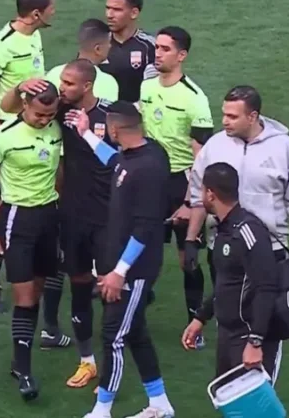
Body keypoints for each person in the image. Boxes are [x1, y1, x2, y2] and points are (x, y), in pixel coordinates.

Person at [2, 59, 115, 387]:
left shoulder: (111, 115)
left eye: (68, 83)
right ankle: (87, 361)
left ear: (87, 86)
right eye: (62, 82)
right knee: (79, 284)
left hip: (109, 217)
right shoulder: (58, 111)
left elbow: (125, 156)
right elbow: (11, 109)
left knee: (112, 289)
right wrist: (19, 88)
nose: (61, 88)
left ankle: (114, 360)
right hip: (73, 216)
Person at [67, 101, 176, 418]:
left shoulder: (147, 170)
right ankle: (160, 403)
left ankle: (102, 410)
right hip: (120, 267)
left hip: (135, 271)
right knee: (136, 333)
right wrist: (86, 134)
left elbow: (145, 227)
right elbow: (114, 161)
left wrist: (119, 272)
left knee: (113, 336)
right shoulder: (140, 154)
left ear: (114, 129)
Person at [0, 85, 63, 401]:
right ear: (25, 105)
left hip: (50, 215)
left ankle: (20, 355)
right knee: (24, 296)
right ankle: (24, 370)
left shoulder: (57, 128)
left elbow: (61, 170)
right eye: (39, 114)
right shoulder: (3, 136)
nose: (44, 120)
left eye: (50, 115)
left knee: (37, 290)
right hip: (18, 219)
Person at [0, 0, 56, 312]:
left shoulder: (34, 35)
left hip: (33, 128)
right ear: (36, 13)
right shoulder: (1, 45)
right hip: (8, 135)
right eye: (51, 8)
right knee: (0, 206)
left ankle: (29, 271)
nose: (54, 12)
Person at [139, 26, 214, 349]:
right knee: (144, 251)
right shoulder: (146, 87)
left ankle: (195, 324)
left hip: (181, 183)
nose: (158, 53)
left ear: (181, 55)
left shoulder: (194, 99)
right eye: (156, 47)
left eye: (165, 49)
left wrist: (189, 200)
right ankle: (134, 316)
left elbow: (202, 158)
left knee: (188, 258)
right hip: (150, 180)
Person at [184, 85, 289, 272]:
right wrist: (190, 240)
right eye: (224, 114)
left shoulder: (282, 146)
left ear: (252, 117)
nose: (225, 121)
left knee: (265, 292)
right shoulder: (214, 146)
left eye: (232, 117)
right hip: (222, 244)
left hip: (269, 247)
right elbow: (198, 197)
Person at [181, 163, 282, 382]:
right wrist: (201, 317)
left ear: (210, 194)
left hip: (248, 336)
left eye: (202, 190)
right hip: (227, 335)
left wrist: (255, 341)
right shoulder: (224, 230)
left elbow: (266, 287)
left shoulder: (249, 232)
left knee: (255, 404)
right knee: (228, 401)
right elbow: (227, 283)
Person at [100, 0, 157, 103]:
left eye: (117, 10)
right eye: (108, 8)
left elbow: (157, 90)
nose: (109, 15)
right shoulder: (96, 43)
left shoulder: (151, 46)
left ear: (134, 13)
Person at [46, 18, 120, 102]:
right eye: (109, 42)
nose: (110, 46)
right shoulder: (107, 83)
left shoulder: (53, 73)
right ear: (98, 49)